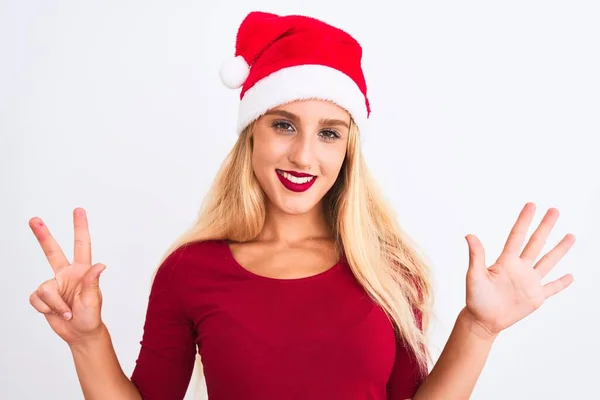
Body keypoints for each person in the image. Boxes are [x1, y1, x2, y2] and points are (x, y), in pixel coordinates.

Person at [27, 11, 575, 400]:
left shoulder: (388, 270)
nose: (304, 155)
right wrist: (88, 340)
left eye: (330, 133)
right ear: (251, 135)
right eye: (284, 125)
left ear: (349, 149)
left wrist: (478, 329)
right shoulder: (190, 272)